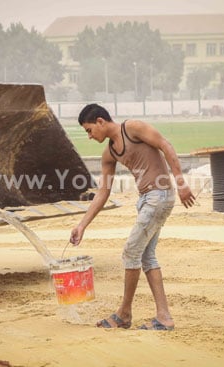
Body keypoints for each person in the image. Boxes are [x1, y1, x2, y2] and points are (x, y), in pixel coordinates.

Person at [70, 104, 195, 331]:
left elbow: (165, 145)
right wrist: (82, 225)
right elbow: (103, 192)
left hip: (159, 197)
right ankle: (164, 317)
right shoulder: (109, 153)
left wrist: (181, 182)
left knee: (130, 252)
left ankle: (124, 314)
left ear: (100, 121)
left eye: (89, 130)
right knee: (147, 257)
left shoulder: (133, 128)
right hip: (146, 200)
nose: (89, 136)